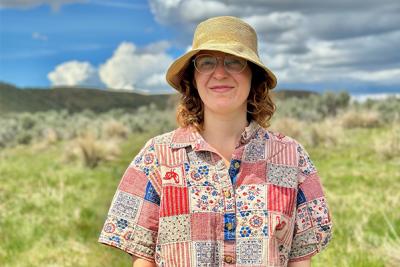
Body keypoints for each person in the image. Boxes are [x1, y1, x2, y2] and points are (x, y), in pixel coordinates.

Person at [98, 16, 332, 267]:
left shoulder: (291, 157)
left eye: (234, 62)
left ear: (254, 76)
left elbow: (300, 259)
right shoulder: (157, 156)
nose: (220, 73)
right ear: (192, 79)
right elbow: (143, 260)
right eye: (206, 62)